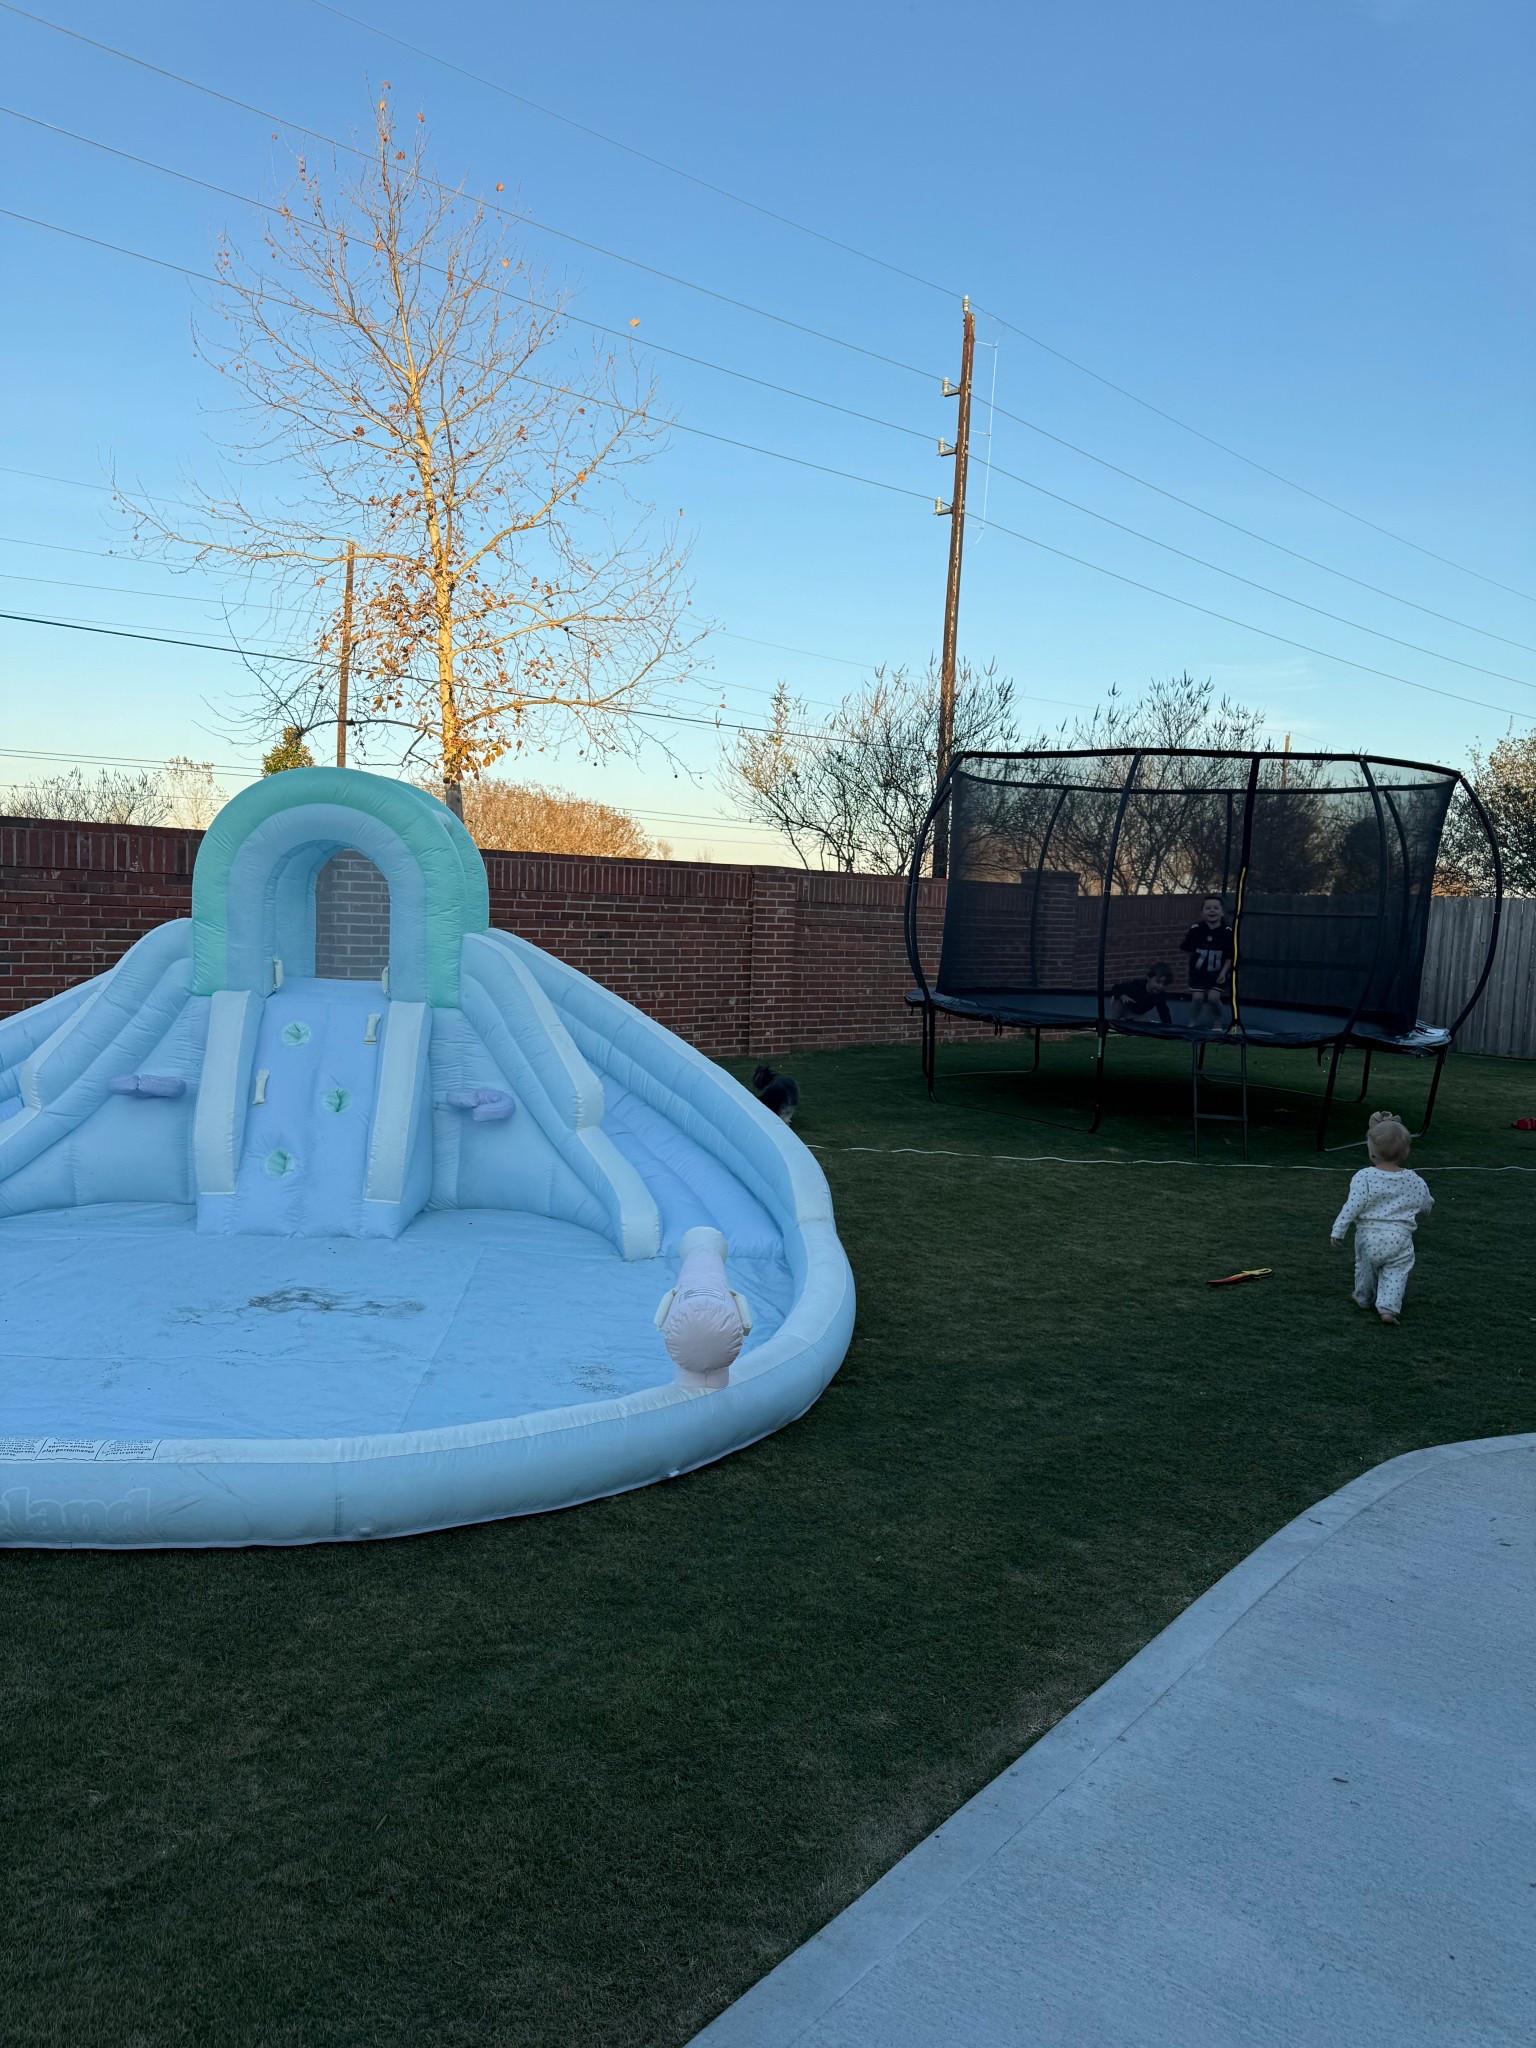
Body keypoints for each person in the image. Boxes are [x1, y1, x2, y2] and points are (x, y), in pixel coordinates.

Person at [1329, 1111, 1434, 1326]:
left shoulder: (1364, 1176)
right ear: (1406, 1152)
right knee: (1396, 1271)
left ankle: (1364, 1297)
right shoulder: (1414, 1180)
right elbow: (1426, 1202)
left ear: (1372, 1154)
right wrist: (1426, 1209)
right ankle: (1388, 1308)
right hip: (1400, 1238)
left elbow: (1352, 1206)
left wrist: (1338, 1230)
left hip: (1370, 1237)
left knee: (1365, 1268)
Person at [1180, 894, 1234, 1031]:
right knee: (1197, 998)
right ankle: (1192, 1022)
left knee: (1213, 998)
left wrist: (1223, 973)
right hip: (1198, 973)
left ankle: (1217, 1021)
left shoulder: (1227, 932)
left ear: (1222, 912)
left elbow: (1230, 956)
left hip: (1216, 973)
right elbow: (1187, 950)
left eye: (1216, 908)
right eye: (1208, 908)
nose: (1212, 911)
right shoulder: (1196, 929)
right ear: (1202, 912)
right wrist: (1188, 969)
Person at [1109, 962, 1174, 1025]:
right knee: (1119, 1000)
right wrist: (1122, 996)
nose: (1161, 986)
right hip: (1124, 1005)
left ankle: (1130, 1022)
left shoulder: (1159, 995)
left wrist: (1169, 1027)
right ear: (1149, 977)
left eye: (1164, 984)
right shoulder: (1137, 985)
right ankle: (1114, 1024)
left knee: (1147, 1026)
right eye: (1158, 982)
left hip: (1136, 1012)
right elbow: (1116, 987)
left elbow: (1164, 1012)